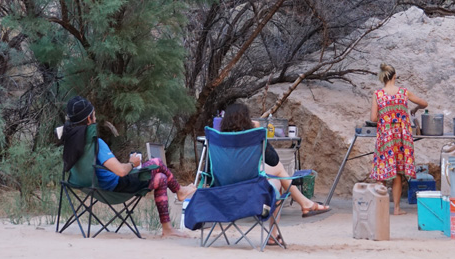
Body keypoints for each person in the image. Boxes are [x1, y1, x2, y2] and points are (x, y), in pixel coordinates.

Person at [60, 96, 196, 238]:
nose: (95, 118)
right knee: (157, 162)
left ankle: (167, 228)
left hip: (86, 185)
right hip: (115, 186)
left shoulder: (71, 141)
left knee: (161, 178)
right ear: (89, 119)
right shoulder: (96, 144)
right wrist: (133, 163)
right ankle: (179, 191)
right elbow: (121, 171)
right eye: (93, 114)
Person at [218, 102, 330, 219]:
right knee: (279, 170)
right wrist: (259, 133)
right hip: (249, 186)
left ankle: (305, 204)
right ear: (246, 120)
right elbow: (274, 160)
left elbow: (210, 169)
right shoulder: (252, 137)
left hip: (223, 189)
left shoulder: (218, 140)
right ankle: (304, 205)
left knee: (276, 182)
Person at [369, 63, 428, 215]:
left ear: (383, 79)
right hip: (401, 137)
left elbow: (373, 118)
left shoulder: (378, 94)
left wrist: (386, 117)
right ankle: (396, 209)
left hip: (385, 137)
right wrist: (414, 109)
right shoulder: (404, 92)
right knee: (398, 172)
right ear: (395, 76)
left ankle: (380, 209)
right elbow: (424, 103)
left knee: (382, 171)